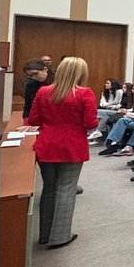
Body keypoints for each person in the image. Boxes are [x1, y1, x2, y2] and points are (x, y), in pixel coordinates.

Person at [21, 57, 98, 248]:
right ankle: (60, 236)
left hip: (47, 145)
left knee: (49, 188)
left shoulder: (43, 91)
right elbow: (91, 123)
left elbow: (33, 120)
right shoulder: (84, 93)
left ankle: (45, 234)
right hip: (72, 146)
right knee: (66, 189)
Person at [22, 58, 54, 124]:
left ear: (45, 69)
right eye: (30, 76)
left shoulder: (58, 82)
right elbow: (27, 106)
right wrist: (26, 121)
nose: (33, 77)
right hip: (38, 120)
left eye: (35, 74)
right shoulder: (30, 85)